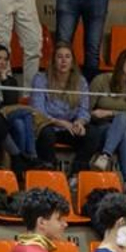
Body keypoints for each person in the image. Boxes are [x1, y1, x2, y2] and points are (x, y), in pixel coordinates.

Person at [32, 44, 105, 174]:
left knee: (93, 133)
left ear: (72, 62)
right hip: (49, 126)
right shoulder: (40, 79)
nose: (63, 61)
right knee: (46, 133)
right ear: (53, 61)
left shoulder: (80, 81)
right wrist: (60, 122)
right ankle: (51, 170)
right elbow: (38, 111)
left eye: (67, 57)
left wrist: (80, 122)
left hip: (70, 128)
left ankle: (76, 173)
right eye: (59, 57)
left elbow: (84, 110)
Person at [89, 47, 126, 177]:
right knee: (125, 136)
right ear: (122, 61)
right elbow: (87, 110)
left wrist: (109, 113)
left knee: (123, 117)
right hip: (103, 127)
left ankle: (105, 155)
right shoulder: (101, 80)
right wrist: (96, 114)